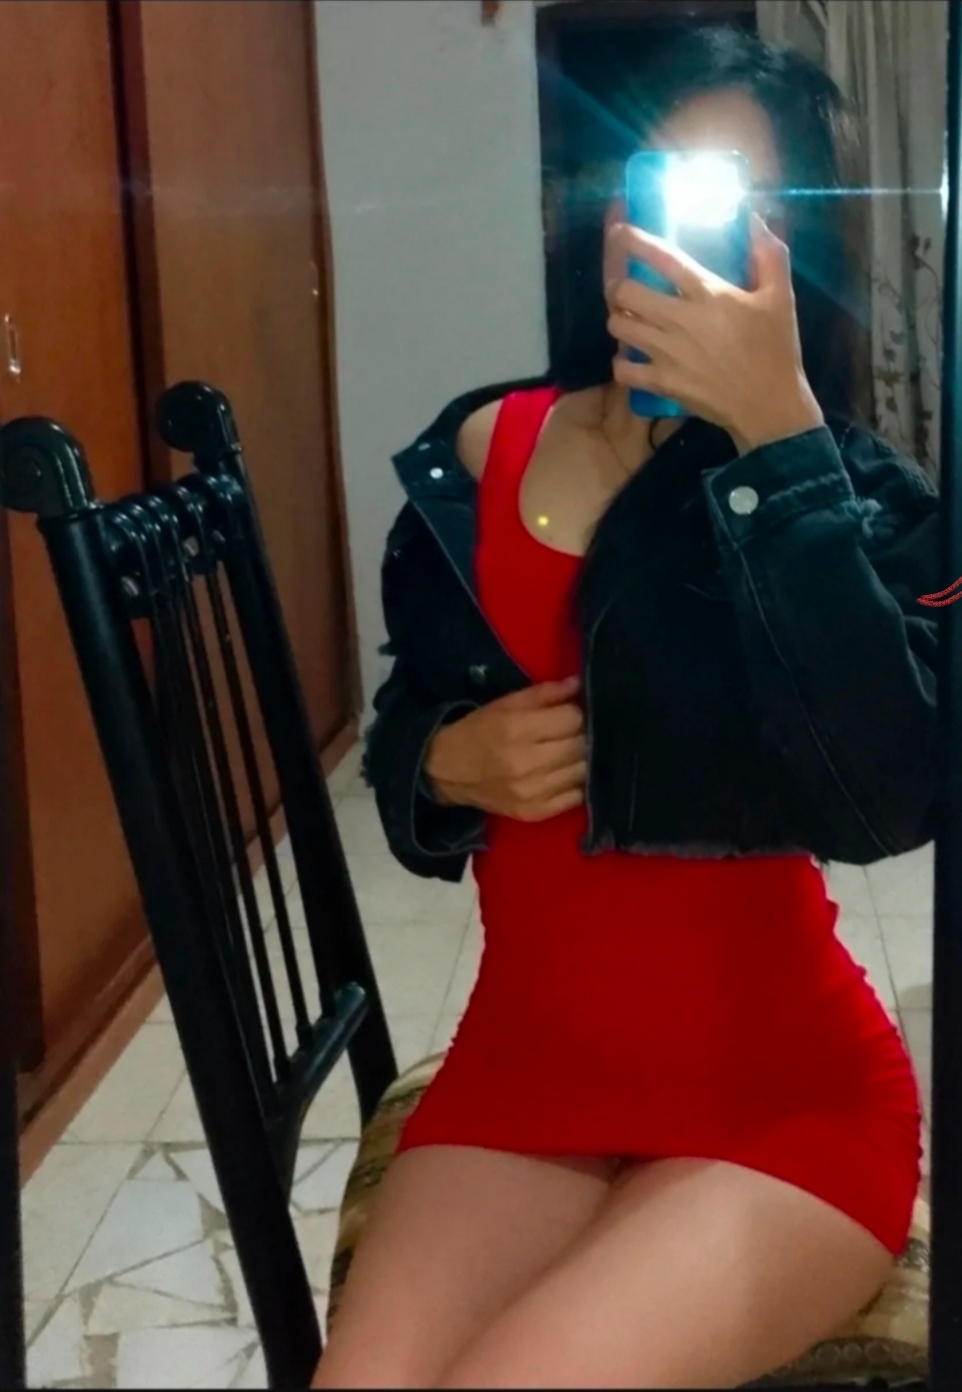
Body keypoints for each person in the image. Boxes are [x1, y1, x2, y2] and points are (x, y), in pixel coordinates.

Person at [314, 24, 939, 1390]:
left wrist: (778, 442)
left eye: (733, 201)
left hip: (781, 1104)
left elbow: (890, 795)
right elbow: (404, 724)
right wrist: (443, 760)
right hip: (524, 1073)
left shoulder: (842, 493)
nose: (668, 236)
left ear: (787, 250)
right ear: (607, 219)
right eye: (650, 184)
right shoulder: (479, 449)